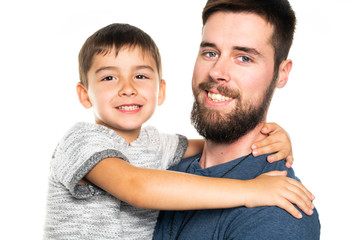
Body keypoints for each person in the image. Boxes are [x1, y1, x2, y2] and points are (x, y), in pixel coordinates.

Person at [44, 23, 314, 240]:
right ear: (83, 94)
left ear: (160, 91)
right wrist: (249, 191)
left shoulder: (154, 143)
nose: (127, 88)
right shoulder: (81, 140)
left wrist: (271, 137)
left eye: (140, 76)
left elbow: (209, 145)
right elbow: (136, 186)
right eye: (108, 78)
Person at [153, 0, 321, 239]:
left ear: (281, 74)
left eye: (244, 58)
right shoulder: (157, 165)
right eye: (210, 53)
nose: (217, 71)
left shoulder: (277, 212)